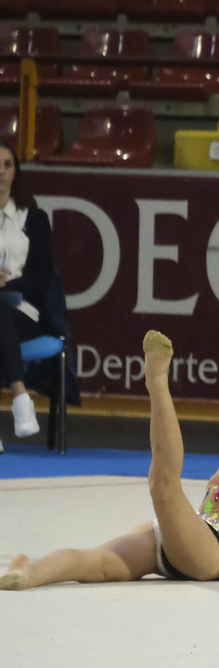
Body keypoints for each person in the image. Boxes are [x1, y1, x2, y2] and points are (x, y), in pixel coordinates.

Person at [2, 331, 219, 590]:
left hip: (176, 543)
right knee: (162, 487)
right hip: (207, 553)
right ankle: (158, 384)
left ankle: (32, 572)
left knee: (99, 563)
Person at [0, 140, 54, 442]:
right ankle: (20, 395)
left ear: (16, 173)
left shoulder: (34, 219)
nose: (0, 171)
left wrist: (7, 285)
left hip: (23, 311)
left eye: (7, 164)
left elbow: (42, 277)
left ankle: (20, 398)